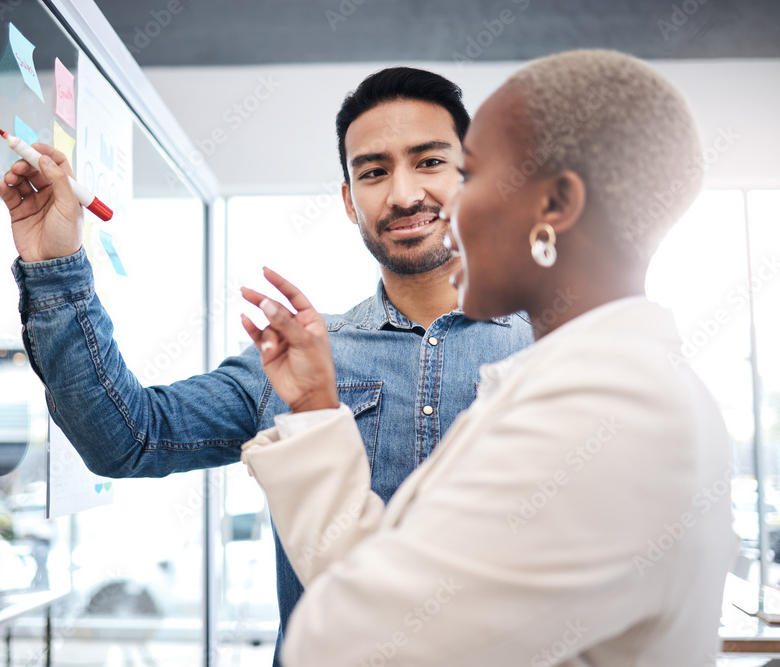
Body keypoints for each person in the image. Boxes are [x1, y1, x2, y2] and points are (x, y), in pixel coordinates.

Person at [0, 68, 532, 656]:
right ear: (350, 202)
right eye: (373, 172)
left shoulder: (552, 349)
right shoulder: (297, 357)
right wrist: (55, 266)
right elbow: (128, 438)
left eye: (429, 162)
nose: (402, 194)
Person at [237, 49, 736, 666]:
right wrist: (315, 410)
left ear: (553, 207)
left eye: (465, 174)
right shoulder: (591, 380)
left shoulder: (612, 408)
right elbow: (396, 604)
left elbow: (352, 646)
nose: (439, 206)